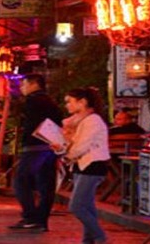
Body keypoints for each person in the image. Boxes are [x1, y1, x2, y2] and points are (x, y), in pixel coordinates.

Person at [52, 87, 111, 244]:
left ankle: (99, 236)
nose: (67, 106)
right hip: (82, 165)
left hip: (92, 165)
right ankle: (89, 239)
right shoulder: (80, 121)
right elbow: (74, 145)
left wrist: (66, 154)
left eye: (70, 102)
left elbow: (81, 146)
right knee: (87, 205)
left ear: (82, 102)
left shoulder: (93, 121)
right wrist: (62, 146)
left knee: (77, 205)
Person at [9, 73, 63, 233]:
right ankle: (41, 220)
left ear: (34, 84)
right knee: (45, 184)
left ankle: (30, 216)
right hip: (50, 147)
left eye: (24, 85)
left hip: (35, 147)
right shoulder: (51, 102)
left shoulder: (33, 100)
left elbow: (25, 119)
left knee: (21, 180)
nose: (22, 88)